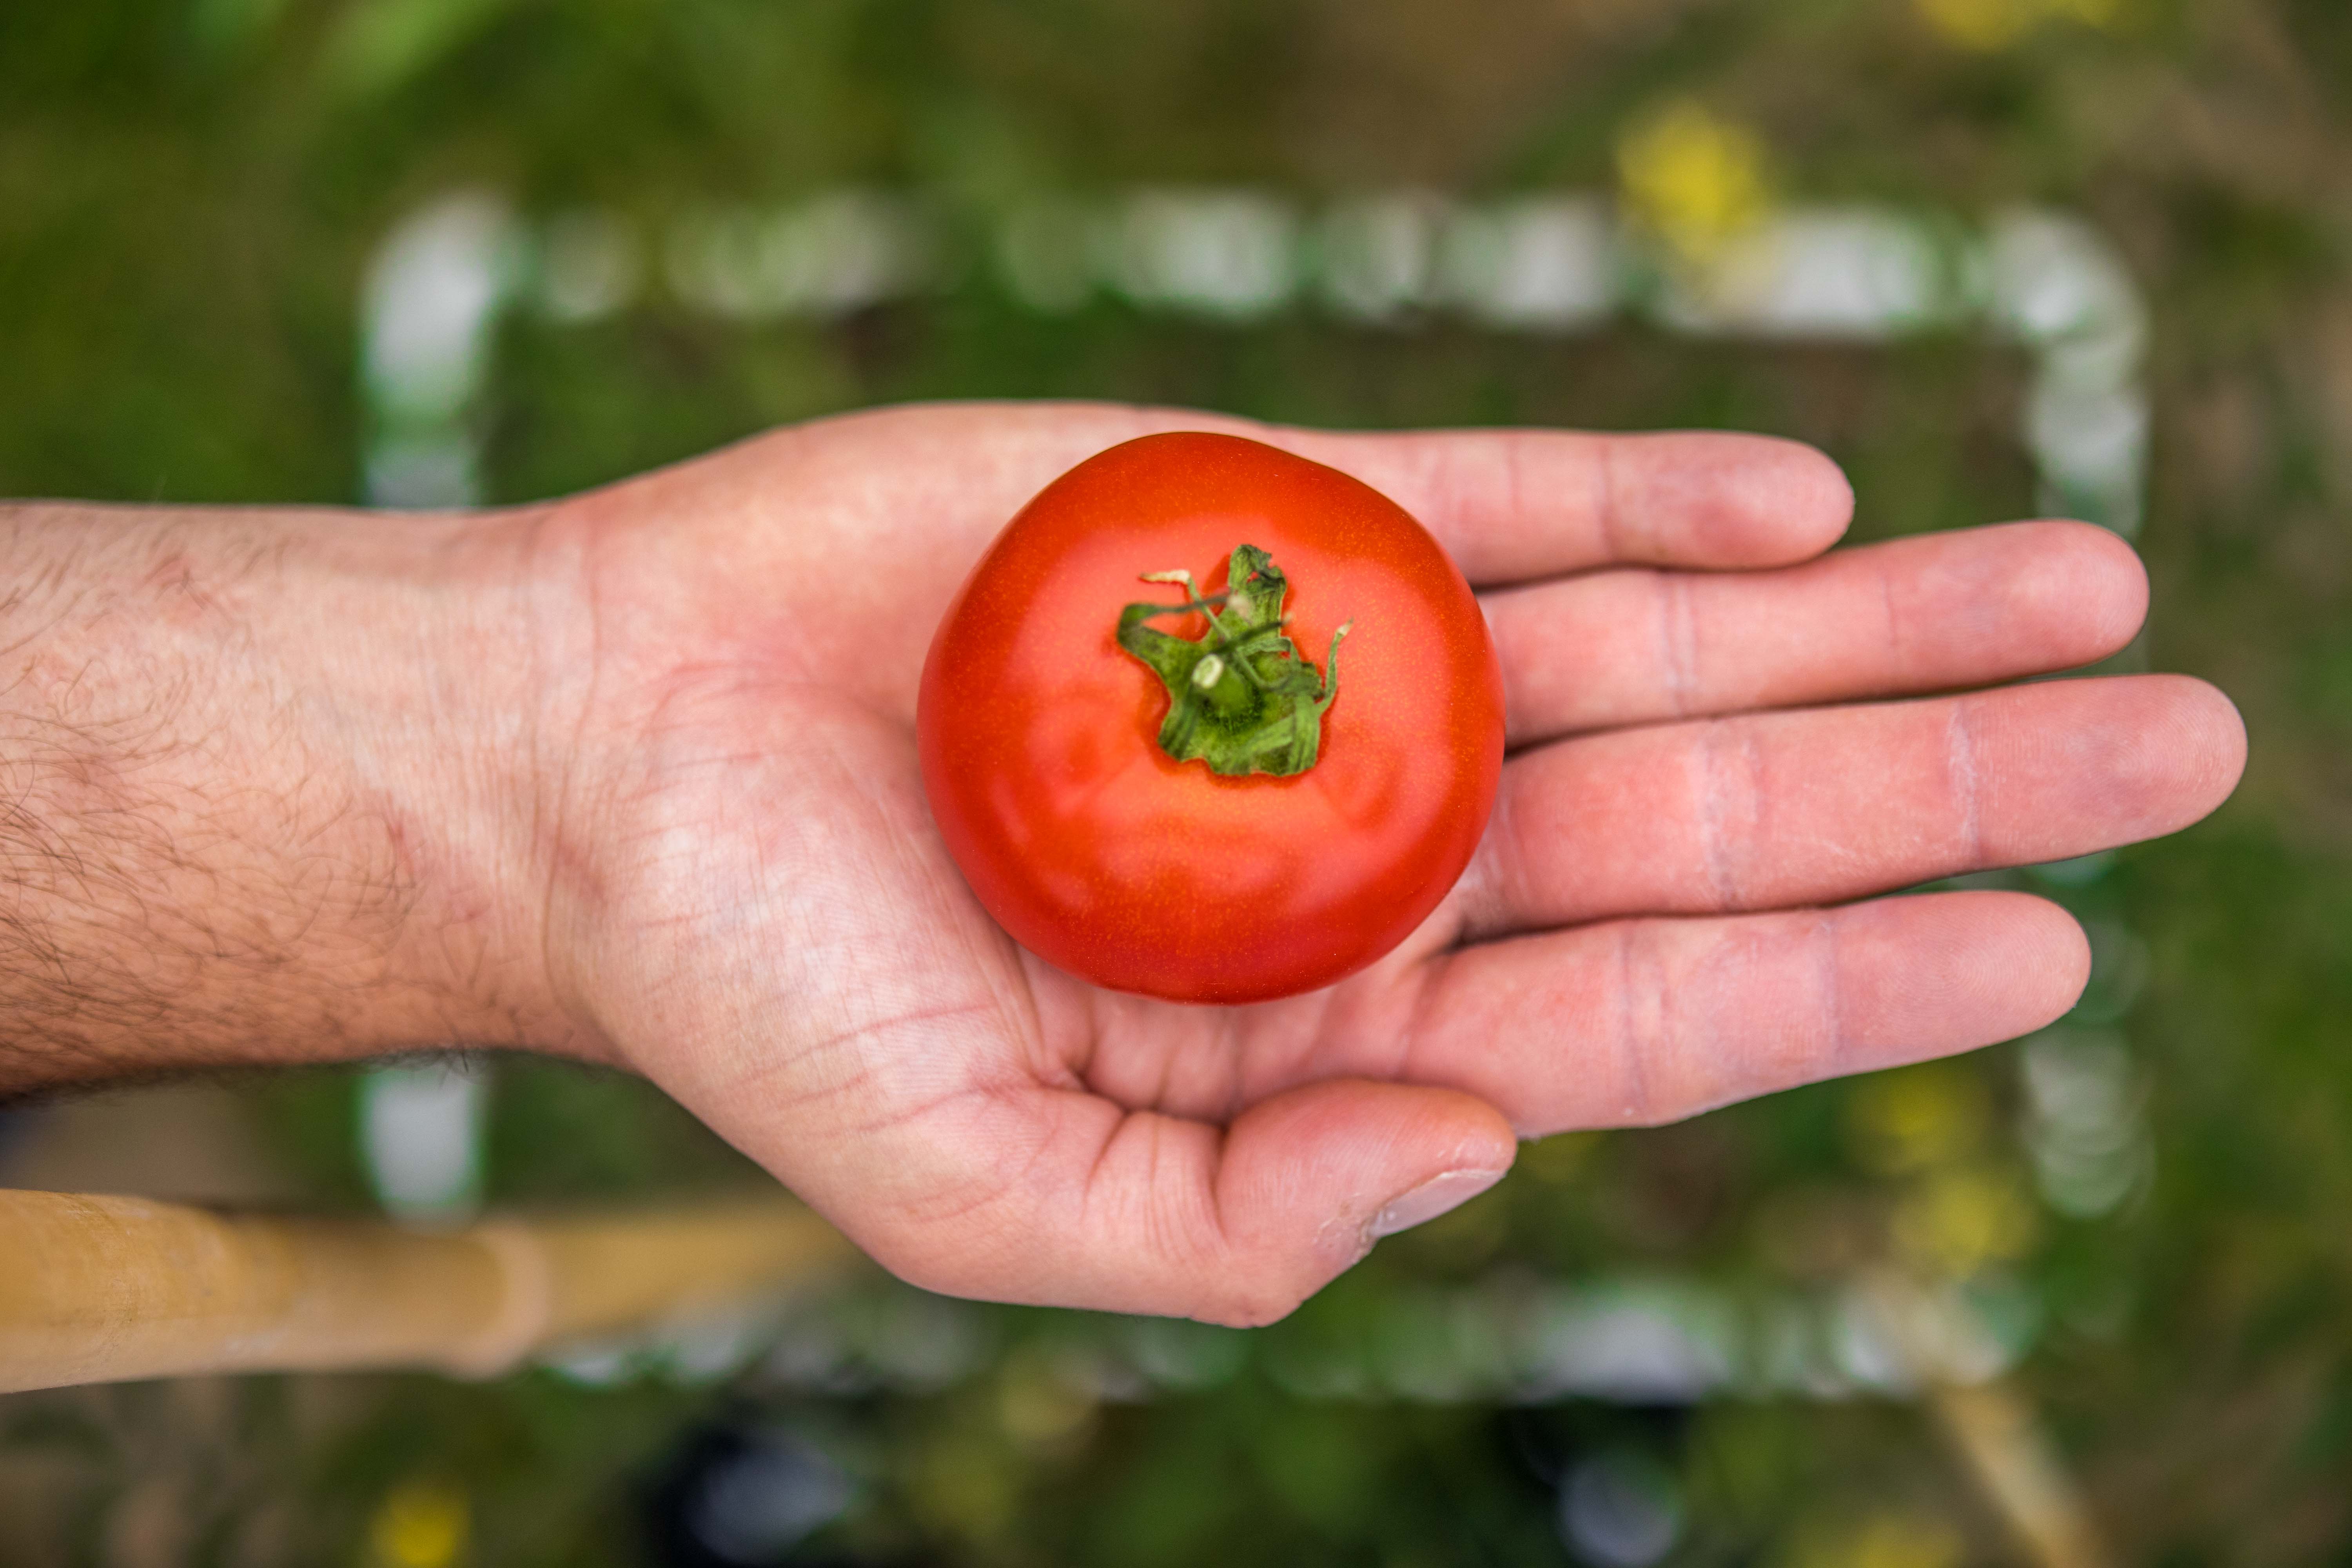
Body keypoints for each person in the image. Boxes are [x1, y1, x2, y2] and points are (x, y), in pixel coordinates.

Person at [0, 403, 2244, 1325]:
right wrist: (547, 789)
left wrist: (548, 784)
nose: (1248, 678)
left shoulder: (1176, 620)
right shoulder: (1294, 631)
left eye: (1250, 678)